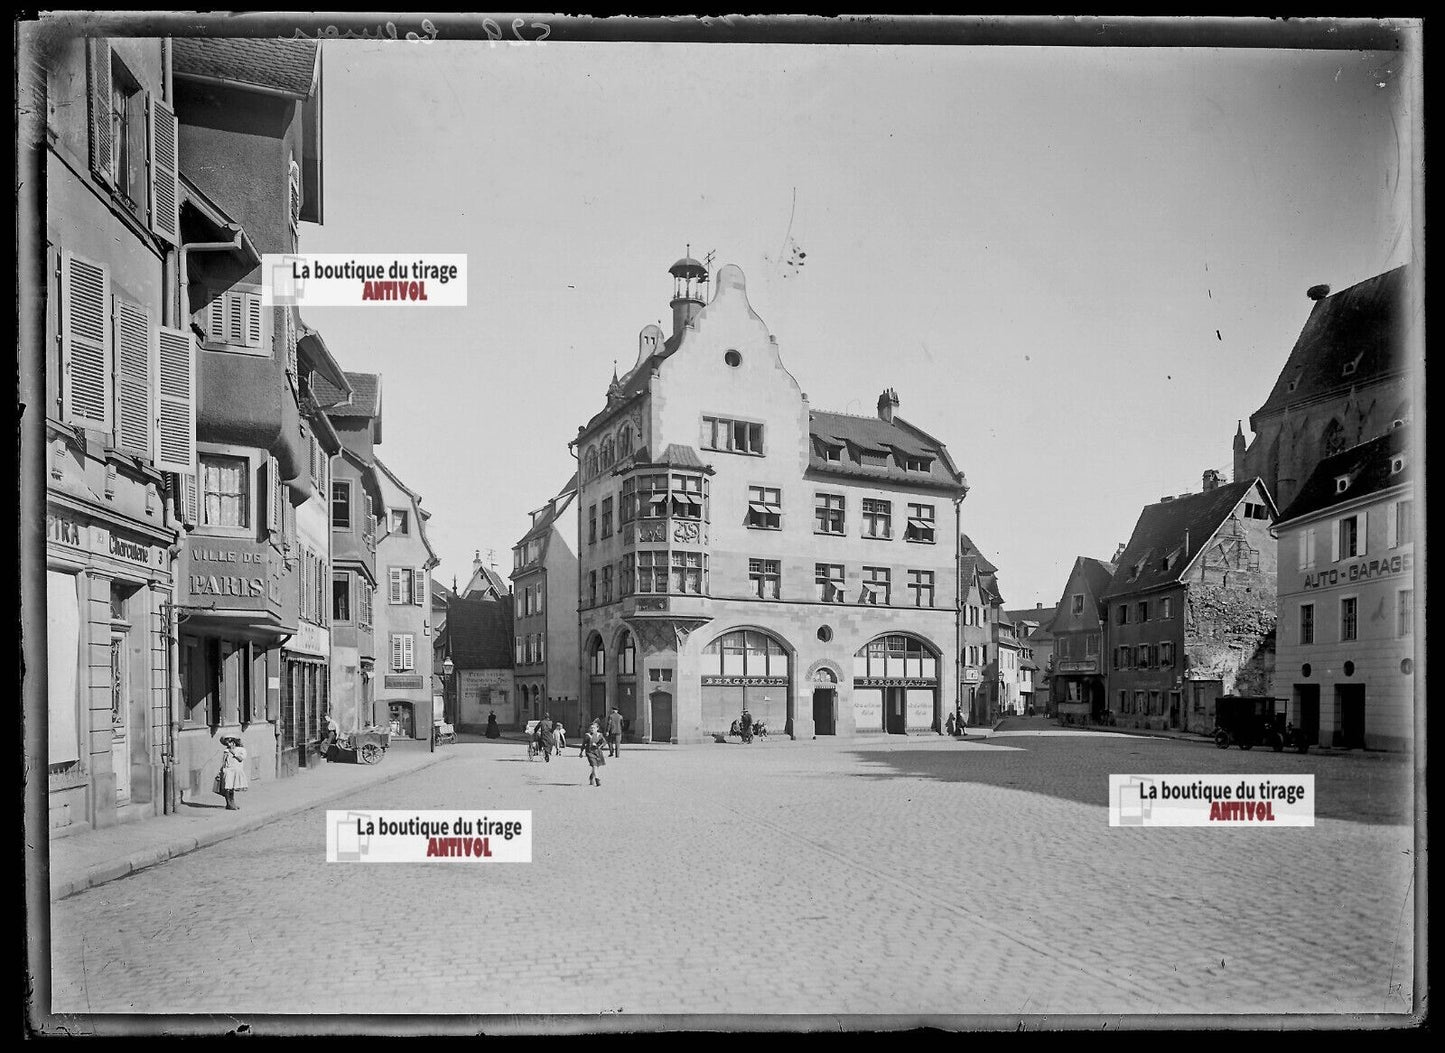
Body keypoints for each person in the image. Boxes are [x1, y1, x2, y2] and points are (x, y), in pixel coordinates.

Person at [217, 736, 249, 810]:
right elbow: (224, 761)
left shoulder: (241, 750)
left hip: (236, 770)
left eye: (230, 742)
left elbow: (241, 759)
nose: (228, 744)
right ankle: (229, 803)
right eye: (227, 743)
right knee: (227, 788)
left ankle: (232, 803)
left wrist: (233, 753)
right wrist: (220, 771)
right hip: (228, 770)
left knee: (232, 788)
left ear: (234, 742)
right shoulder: (226, 751)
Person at [584, 720, 607, 787]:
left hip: (598, 752)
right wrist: (581, 752)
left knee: (597, 767)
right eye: (591, 728)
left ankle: (592, 776)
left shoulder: (600, 735)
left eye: (594, 728)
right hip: (589, 752)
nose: (592, 729)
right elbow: (583, 744)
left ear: (597, 728)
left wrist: (600, 746)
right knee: (594, 765)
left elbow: (604, 742)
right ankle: (597, 780)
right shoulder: (587, 735)